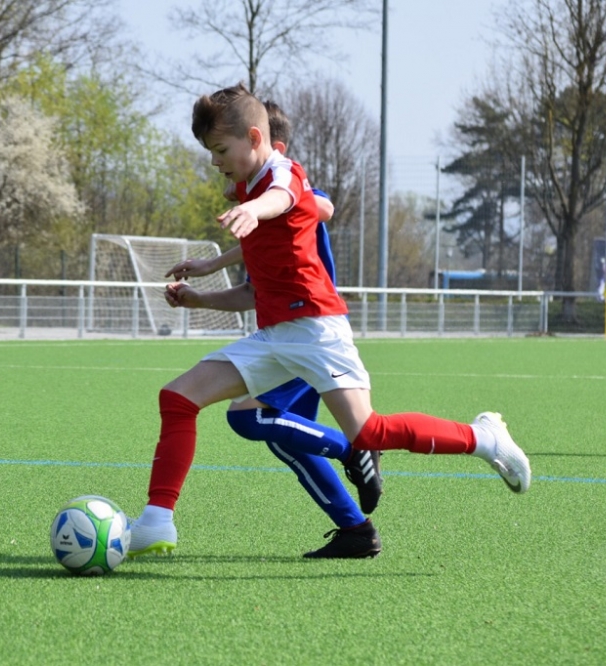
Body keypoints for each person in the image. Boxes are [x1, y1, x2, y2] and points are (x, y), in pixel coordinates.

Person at [127, 84, 531, 558]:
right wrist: (199, 295)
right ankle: (157, 521)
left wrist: (252, 210)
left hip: (318, 331)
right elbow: (255, 289)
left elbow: (283, 197)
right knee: (178, 398)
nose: (215, 161)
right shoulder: (246, 187)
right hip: (276, 337)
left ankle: (484, 438)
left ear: (256, 138)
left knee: (369, 433)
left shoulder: (280, 174)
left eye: (220, 150)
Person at [162, 100, 382, 559]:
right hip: (294, 331)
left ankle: (354, 450)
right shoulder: (261, 202)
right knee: (284, 437)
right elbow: (251, 288)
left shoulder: (286, 190)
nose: (221, 168)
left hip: (308, 335)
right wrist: (205, 282)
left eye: (223, 154)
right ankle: (355, 529)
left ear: (266, 145)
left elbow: (318, 204)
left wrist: (295, 203)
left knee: (251, 418)